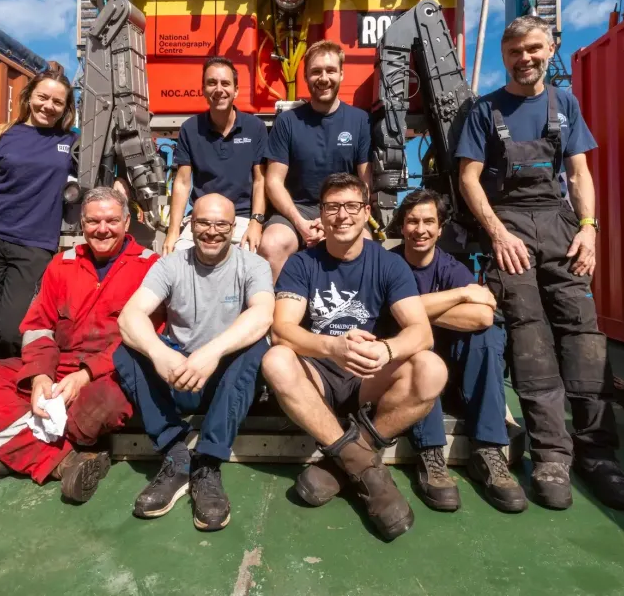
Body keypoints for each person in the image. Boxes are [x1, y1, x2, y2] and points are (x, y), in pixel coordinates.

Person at [455, 14, 624, 512]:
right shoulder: (484, 111)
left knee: (582, 336)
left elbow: (579, 173)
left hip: (560, 226)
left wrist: (589, 229)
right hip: (510, 227)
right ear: (504, 56)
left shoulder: (565, 104)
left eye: (535, 48)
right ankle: (552, 456)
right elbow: (469, 179)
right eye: (516, 51)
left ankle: (599, 455)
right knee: (531, 341)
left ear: (550, 47)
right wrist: (496, 233)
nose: (526, 58)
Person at [260, 173, 447, 542]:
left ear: (366, 212)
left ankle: (341, 460)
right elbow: (282, 329)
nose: (341, 215)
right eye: (332, 207)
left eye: (351, 206)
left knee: (431, 368)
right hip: (317, 374)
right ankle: (369, 472)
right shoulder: (302, 264)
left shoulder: (388, 264)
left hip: (366, 375)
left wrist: (386, 349)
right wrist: (332, 347)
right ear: (321, 214)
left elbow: (421, 332)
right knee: (276, 360)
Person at [0, 187, 159, 504]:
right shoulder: (61, 265)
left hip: (109, 374)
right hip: (54, 371)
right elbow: (37, 328)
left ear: (127, 222)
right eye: (93, 221)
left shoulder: (151, 267)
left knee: (103, 406)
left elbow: (150, 338)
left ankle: (8, 451)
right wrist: (39, 376)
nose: (102, 229)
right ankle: (65, 462)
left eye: (112, 220)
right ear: (82, 224)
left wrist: (86, 375)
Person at [115, 194, 274, 531]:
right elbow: (130, 316)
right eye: (203, 222)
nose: (212, 231)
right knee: (126, 349)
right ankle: (176, 453)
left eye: (221, 225)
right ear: (190, 224)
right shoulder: (170, 264)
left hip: (223, 380)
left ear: (233, 228)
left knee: (256, 346)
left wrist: (211, 352)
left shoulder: (253, 265)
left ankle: (208, 463)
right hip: (178, 373)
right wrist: (161, 354)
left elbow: (262, 315)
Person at [387, 190, 528, 514]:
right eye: (411, 221)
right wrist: (462, 295)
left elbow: (481, 315)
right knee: (415, 340)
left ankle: (489, 450)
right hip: (412, 377)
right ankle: (430, 454)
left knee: (487, 334)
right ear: (402, 226)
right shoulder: (389, 263)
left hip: (455, 379)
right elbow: (390, 314)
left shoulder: (451, 268)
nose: (419, 229)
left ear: (440, 228)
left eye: (428, 222)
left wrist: (410, 310)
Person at [0, 62, 78, 362]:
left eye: (57, 102)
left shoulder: (72, 143)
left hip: (34, 246)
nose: (48, 106)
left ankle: (11, 391)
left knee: (12, 329)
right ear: (29, 96)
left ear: (66, 108)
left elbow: (99, 171)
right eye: (42, 97)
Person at [258, 41, 373, 281]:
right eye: (316, 71)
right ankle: (278, 314)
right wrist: (300, 223)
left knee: (367, 244)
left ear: (341, 73)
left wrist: (332, 220)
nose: (323, 78)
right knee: (272, 244)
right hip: (296, 208)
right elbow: (273, 182)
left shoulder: (360, 121)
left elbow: (365, 183)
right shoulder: (288, 122)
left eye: (330, 70)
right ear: (306, 77)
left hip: (341, 206)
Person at [162, 57, 269, 255]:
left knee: (251, 262)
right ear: (203, 89)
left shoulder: (255, 128)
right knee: (176, 258)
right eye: (212, 83)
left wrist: (256, 222)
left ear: (236, 90)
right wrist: (173, 231)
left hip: (242, 218)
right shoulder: (190, 129)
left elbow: (260, 180)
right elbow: (182, 183)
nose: (219, 89)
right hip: (202, 219)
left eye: (225, 83)